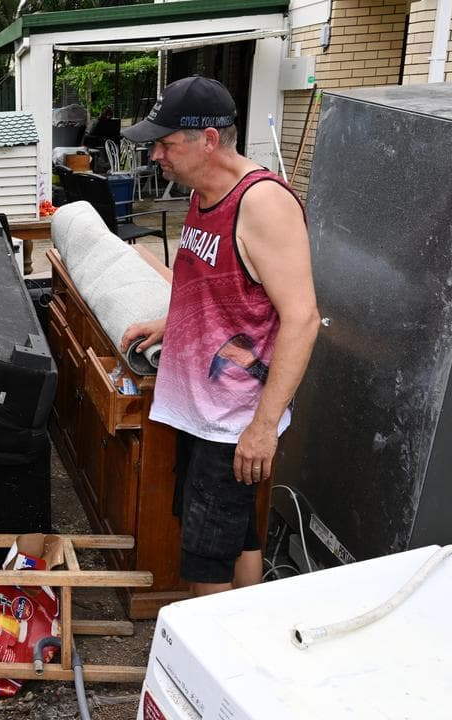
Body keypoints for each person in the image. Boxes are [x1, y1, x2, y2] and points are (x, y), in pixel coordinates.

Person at [118, 76, 320, 597]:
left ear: (208, 139)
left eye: (166, 144)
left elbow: (301, 318)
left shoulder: (262, 205)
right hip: (199, 407)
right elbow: (220, 289)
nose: (155, 155)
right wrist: (172, 325)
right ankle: (253, 635)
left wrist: (263, 428)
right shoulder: (203, 193)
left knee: (206, 562)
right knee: (238, 535)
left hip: (233, 418)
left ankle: (215, 666)